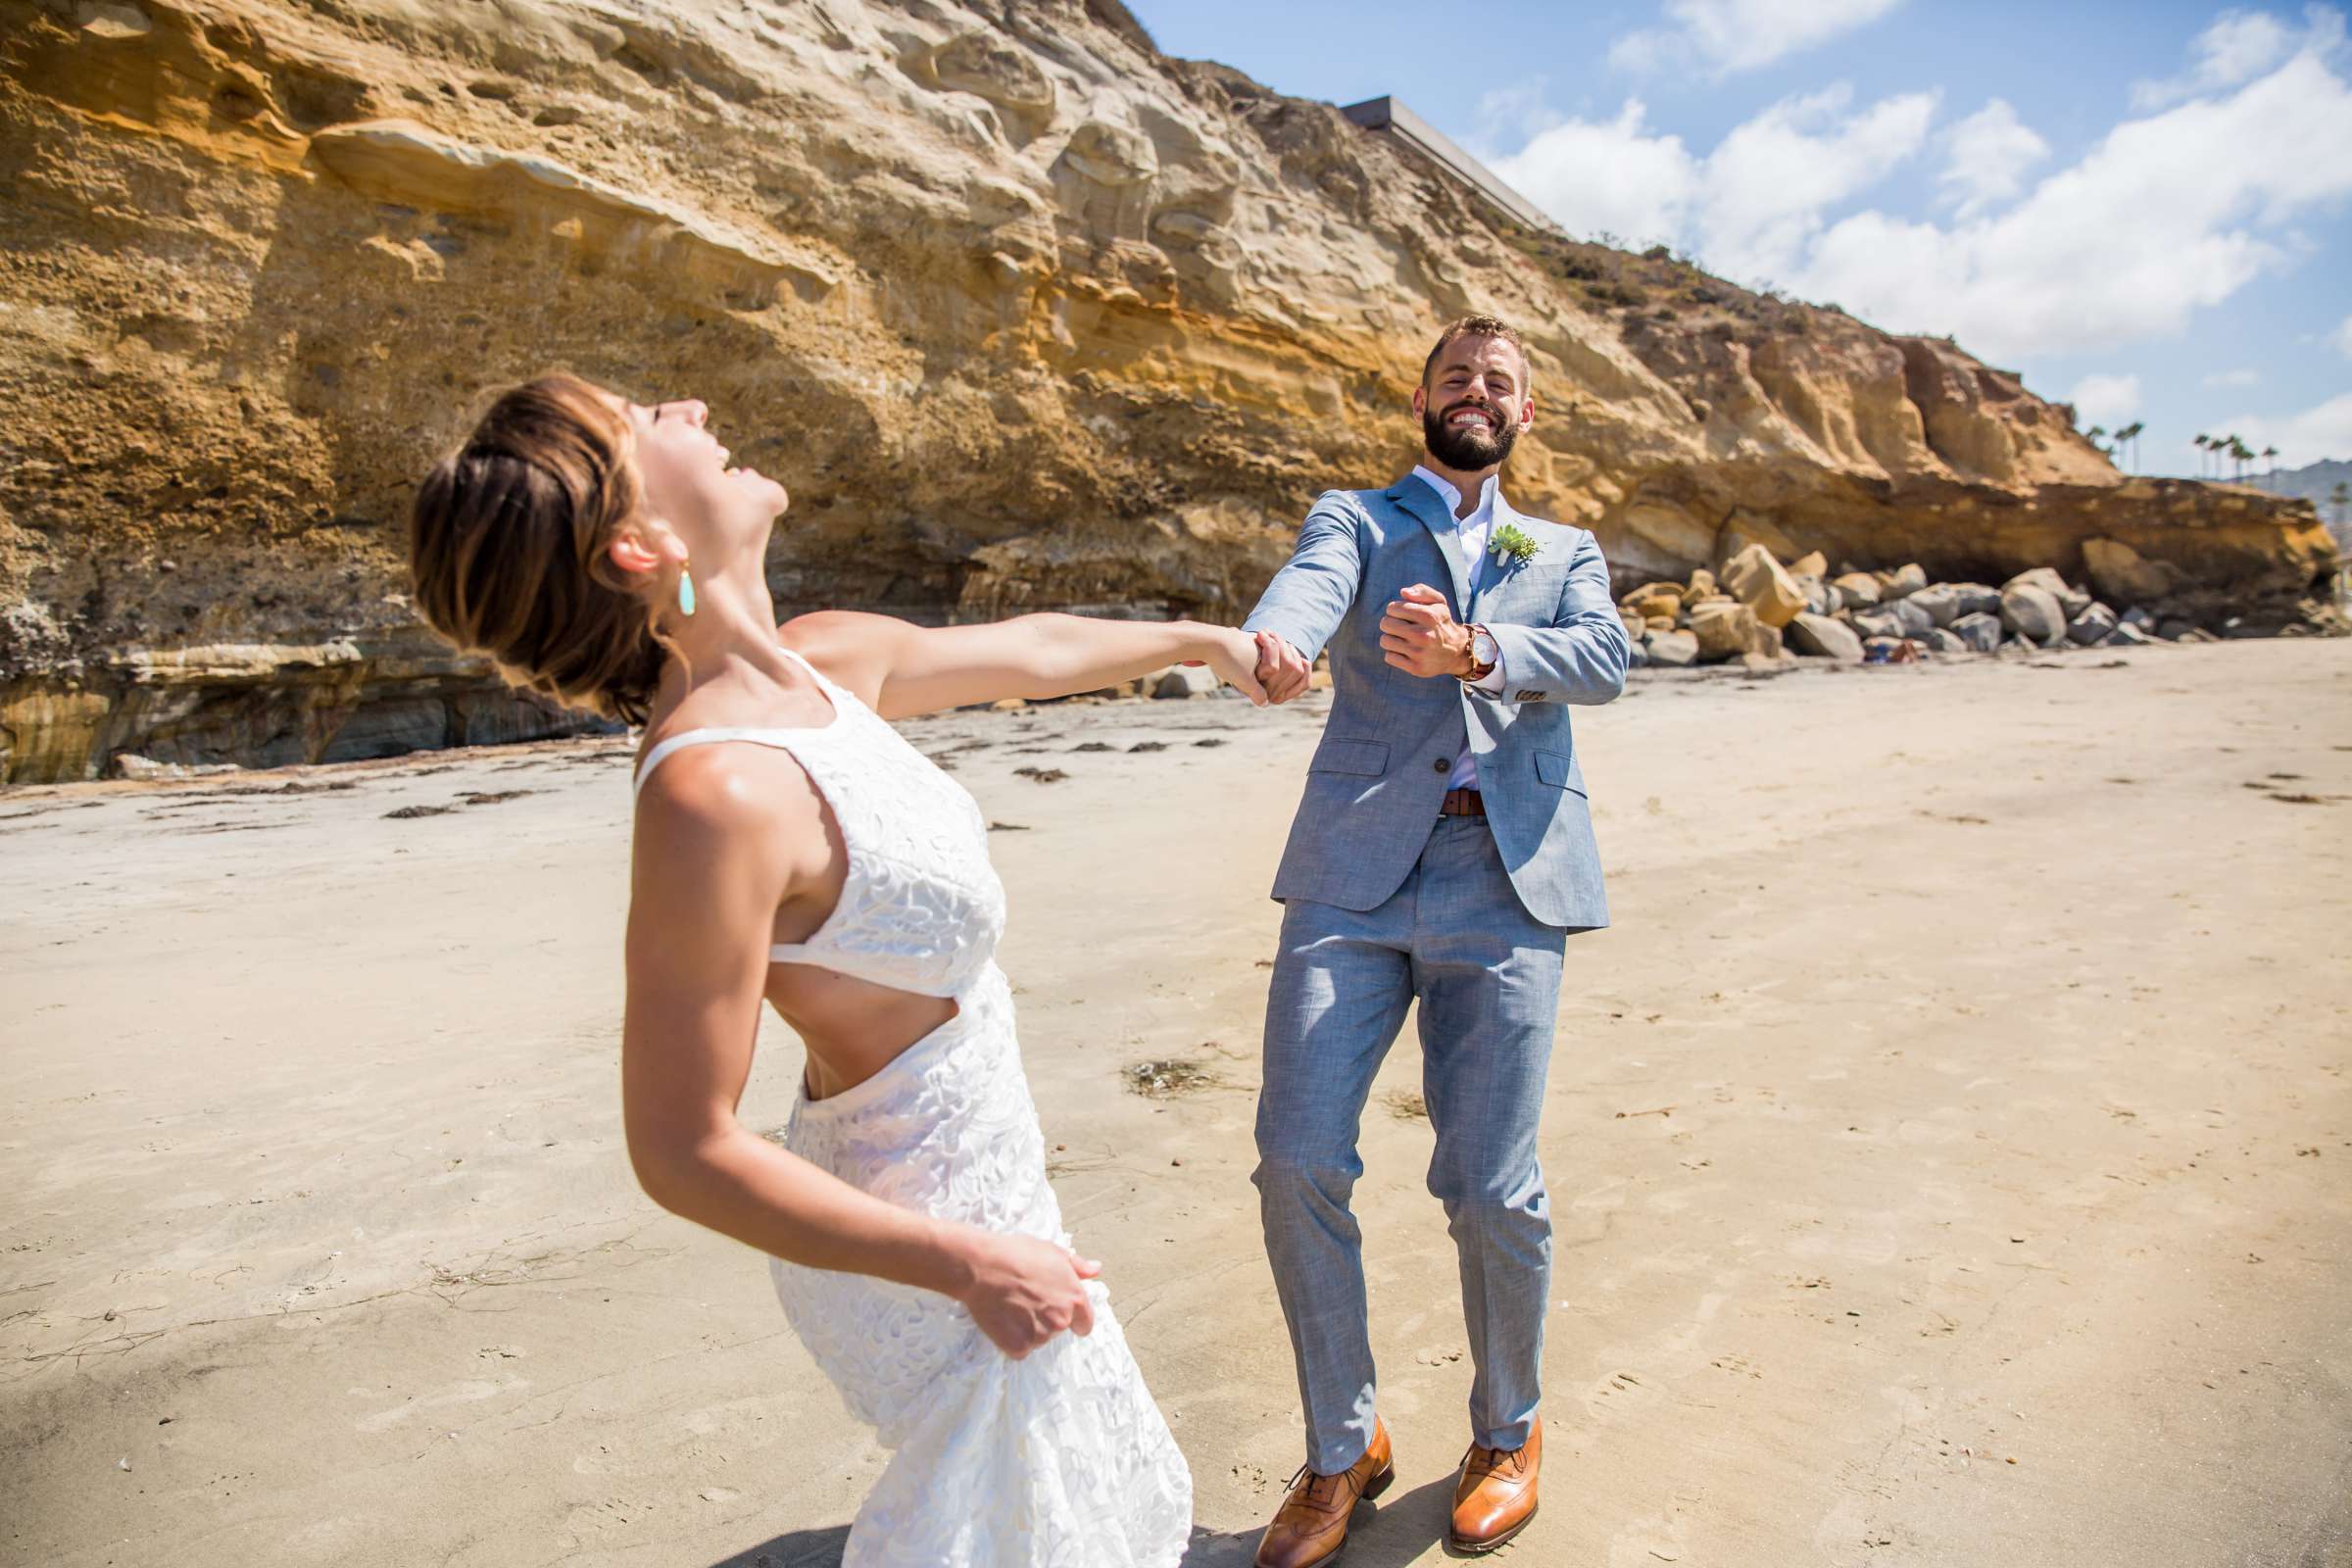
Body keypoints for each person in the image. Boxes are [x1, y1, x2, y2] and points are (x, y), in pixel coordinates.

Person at [408, 373, 1272, 1567]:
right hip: (919, 1241)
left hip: (992, 1169)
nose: (691, 406)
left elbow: (1034, 647)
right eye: (648, 420)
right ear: (636, 547)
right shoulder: (715, 794)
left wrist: (1208, 643)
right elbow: (680, 1146)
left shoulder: (819, 664)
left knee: (1073, 1505)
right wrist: (966, 1265)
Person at [1240, 315, 1630, 1564]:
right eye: (1457, 374)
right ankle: (1341, 1445)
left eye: (1499, 381)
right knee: (1295, 1153)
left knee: (1486, 1182)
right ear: (1421, 396)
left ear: (1525, 414)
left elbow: (1607, 658)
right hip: (1352, 875)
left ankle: (1506, 1433)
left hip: (1507, 879)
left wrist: (1482, 649)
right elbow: (1304, 589)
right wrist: (1280, 643)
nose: (1477, 391)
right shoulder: (1354, 516)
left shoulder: (1562, 546)